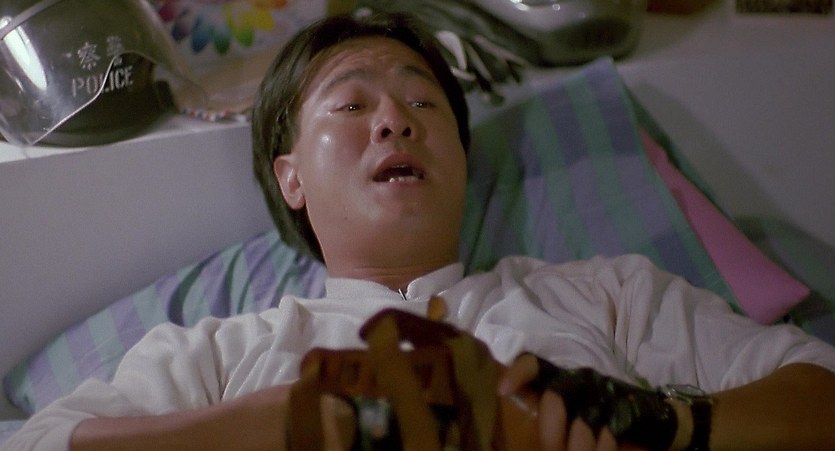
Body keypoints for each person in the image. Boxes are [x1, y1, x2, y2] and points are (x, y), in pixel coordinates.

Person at [5, 11, 835, 451]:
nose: (394, 120)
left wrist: (654, 422)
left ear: (462, 162)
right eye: (351, 103)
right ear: (290, 177)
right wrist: (288, 422)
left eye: (422, 101)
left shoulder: (605, 293)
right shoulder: (219, 353)